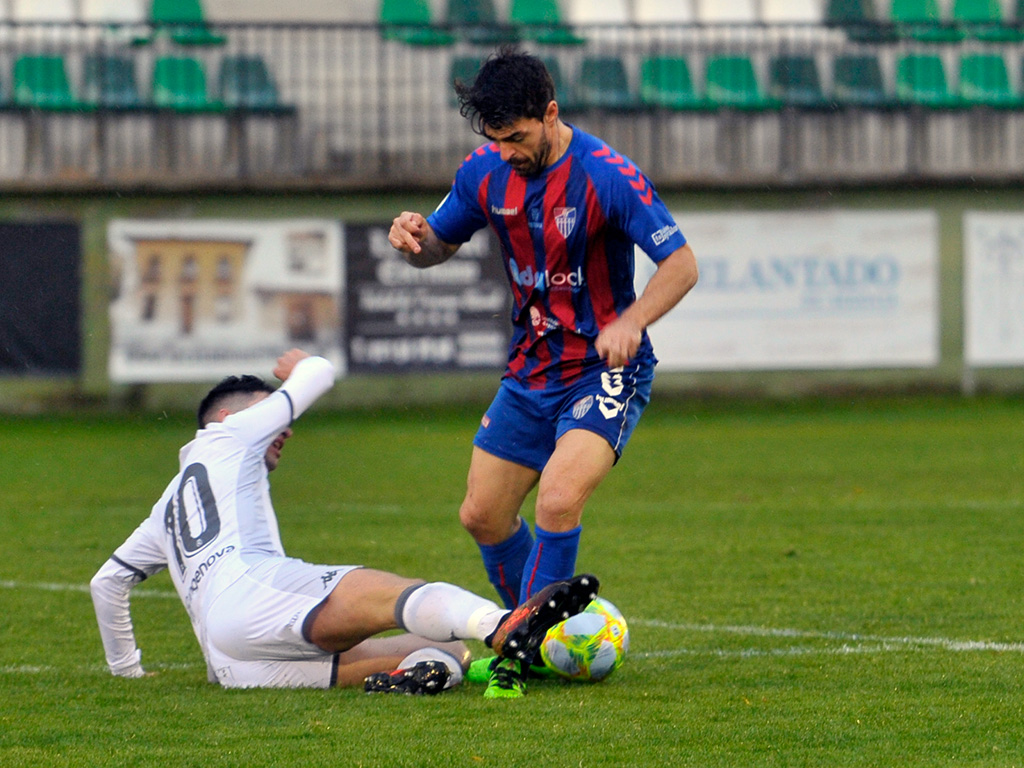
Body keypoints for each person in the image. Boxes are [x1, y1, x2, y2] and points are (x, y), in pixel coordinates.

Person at [389, 47, 698, 695]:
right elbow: (439, 244)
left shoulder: (607, 175)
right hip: (530, 370)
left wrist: (632, 320)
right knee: (482, 515)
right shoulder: (484, 171)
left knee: (558, 499)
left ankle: (517, 651)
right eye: (495, 139)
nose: (506, 152)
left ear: (551, 113)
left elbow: (681, 265)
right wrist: (415, 241)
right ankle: (543, 631)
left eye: (517, 138)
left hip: (602, 369)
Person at [90, 348, 598, 697]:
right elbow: (320, 374)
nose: (285, 429)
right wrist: (301, 367)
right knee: (394, 594)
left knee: (443, 647)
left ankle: (432, 672)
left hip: (229, 661)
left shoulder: (168, 505)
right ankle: (502, 624)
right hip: (256, 591)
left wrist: (127, 671)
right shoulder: (230, 435)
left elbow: (107, 582)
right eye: (273, 417)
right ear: (229, 419)